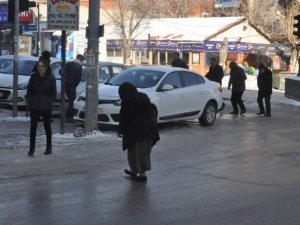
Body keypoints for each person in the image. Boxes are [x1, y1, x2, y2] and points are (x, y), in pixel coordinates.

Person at [118, 82, 160, 182]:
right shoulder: (143, 96)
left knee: (134, 151)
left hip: (137, 130)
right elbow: (151, 110)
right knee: (144, 151)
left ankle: (140, 173)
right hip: (150, 128)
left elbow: (125, 117)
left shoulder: (127, 100)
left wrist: (121, 130)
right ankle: (137, 171)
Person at [26, 58, 57, 156]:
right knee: (33, 127)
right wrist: (30, 101)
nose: (40, 68)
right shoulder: (33, 77)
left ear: (46, 67)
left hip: (46, 106)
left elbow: (53, 92)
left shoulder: (51, 78)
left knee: (47, 126)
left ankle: (49, 147)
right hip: (34, 105)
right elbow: (29, 91)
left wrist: (49, 102)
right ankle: (32, 148)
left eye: (42, 66)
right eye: (39, 66)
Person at [65, 54, 84, 122]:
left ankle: (67, 116)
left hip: (65, 84)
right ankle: (68, 116)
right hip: (72, 85)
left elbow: (62, 72)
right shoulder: (79, 66)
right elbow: (78, 78)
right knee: (72, 101)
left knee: (69, 100)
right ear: (81, 60)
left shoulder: (68, 64)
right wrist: (75, 85)